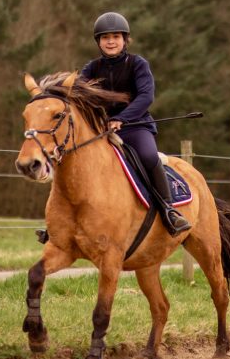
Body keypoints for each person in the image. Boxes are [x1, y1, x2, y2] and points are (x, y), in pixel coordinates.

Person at [80, 12, 191, 235]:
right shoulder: (91, 69)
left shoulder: (138, 64)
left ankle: (168, 209)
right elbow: (79, 96)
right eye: (105, 37)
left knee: (149, 156)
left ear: (125, 40)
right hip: (100, 130)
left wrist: (122, 118)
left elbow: (146, 96)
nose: (110, 41)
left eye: (115, 36)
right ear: (98, 42)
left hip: (135, 127)